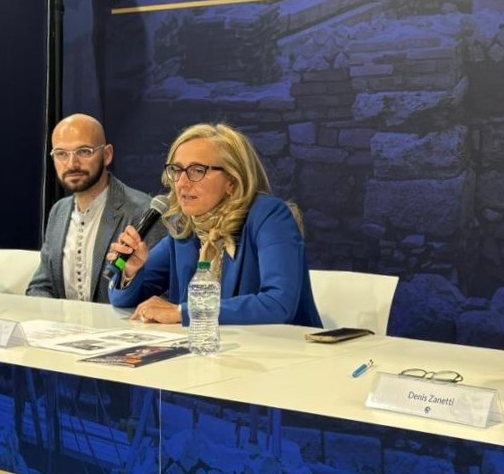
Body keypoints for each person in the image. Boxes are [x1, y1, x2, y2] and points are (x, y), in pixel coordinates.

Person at [107, 123, 321, 327]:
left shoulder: (269, 216)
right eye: (177, 170)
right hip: (210, 348)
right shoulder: (184, 230)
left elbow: (278, 304)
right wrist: (131, 272)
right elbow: (123, 300)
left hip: (283, 348)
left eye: (197, 170)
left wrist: (183, 312)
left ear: (232, 182)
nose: (182, 183)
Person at [26, 114, 161, 302]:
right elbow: (41, 286)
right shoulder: (58, 211)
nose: (72, 164)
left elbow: (159, 294)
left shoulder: (142, 212)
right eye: (61, 154)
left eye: (84, 151)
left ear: (107, 155)